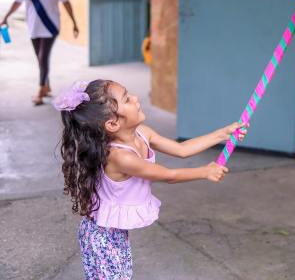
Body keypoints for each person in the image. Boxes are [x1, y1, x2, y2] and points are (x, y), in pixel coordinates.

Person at [55, 79, 247, 279]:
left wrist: (222, 134)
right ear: (112, 123)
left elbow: (182, 150)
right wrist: (204, 171)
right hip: (101, 235)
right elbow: (168, 175)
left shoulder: (142, 133)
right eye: (127, 99)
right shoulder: (121, 157)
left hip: (114, 230)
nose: (136, 98)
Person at [0, 0, 80, 105]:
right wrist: (5, 17)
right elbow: (18, 1)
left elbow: (66, 3)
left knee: (43, 57)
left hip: (50, 27)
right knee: (40, 58)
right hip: (33, 26)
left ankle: (40, 90)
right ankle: (47, 85)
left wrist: (74, 23)